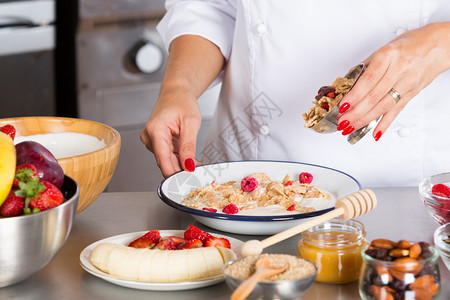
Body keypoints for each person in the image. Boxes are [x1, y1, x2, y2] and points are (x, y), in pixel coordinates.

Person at [140, 0, 450, 187]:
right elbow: (211, 7)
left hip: (410, 188)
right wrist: (179, 88)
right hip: (248, 179)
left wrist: (440, 43)